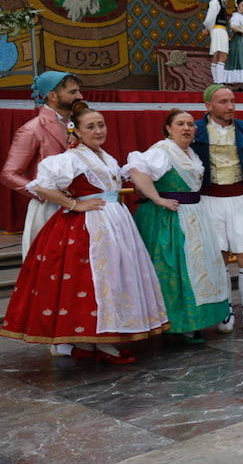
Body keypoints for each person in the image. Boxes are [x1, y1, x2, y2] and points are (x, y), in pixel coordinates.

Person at [1, 102, 166, 363]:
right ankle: (93, 342)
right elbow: (42, 186)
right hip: (89, 227)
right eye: (90, 126)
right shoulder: (71, 158)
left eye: (101, 125)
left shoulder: (105, 156)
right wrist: (75, 204)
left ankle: (97, 341)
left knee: (112, 279)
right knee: (93, 283)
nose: (98, 130)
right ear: (76, 131)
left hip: (115, 223)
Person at [126, 110, 231, 344]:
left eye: (191, 125)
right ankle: (177, 324)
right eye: (180, 124)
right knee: (174, 269)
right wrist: (157, 198)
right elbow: (137, 171)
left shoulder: (190, 152)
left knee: (198, 267)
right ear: (168, 128)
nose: (187, 128)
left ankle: (194, 322)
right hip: (169, 219)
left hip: (194, 215)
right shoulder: (162, 151)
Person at [192, 85, 243, 334]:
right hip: (209, 199)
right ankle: (226, 309)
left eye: (233, 101)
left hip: (240, 197)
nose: (230, 106)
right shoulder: (195, 130)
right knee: (220, 255)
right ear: (209, 106)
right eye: (224, 102)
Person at [2, 71, 80, 256]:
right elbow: (8, 174)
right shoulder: (32, 129)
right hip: (49, 210)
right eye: (73, 92)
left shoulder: (78, 124)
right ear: (53, 95)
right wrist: (43, 192)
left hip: (80, 206)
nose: (80, 96)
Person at [201, 0, 232, 84]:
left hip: (220, 30)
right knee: (222, 55)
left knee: (217, 55)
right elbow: (211, 17)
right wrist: (207, 28)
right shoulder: (215, 2)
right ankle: (220, 81)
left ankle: (217, 81)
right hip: (218, 30)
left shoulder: (220, 2)